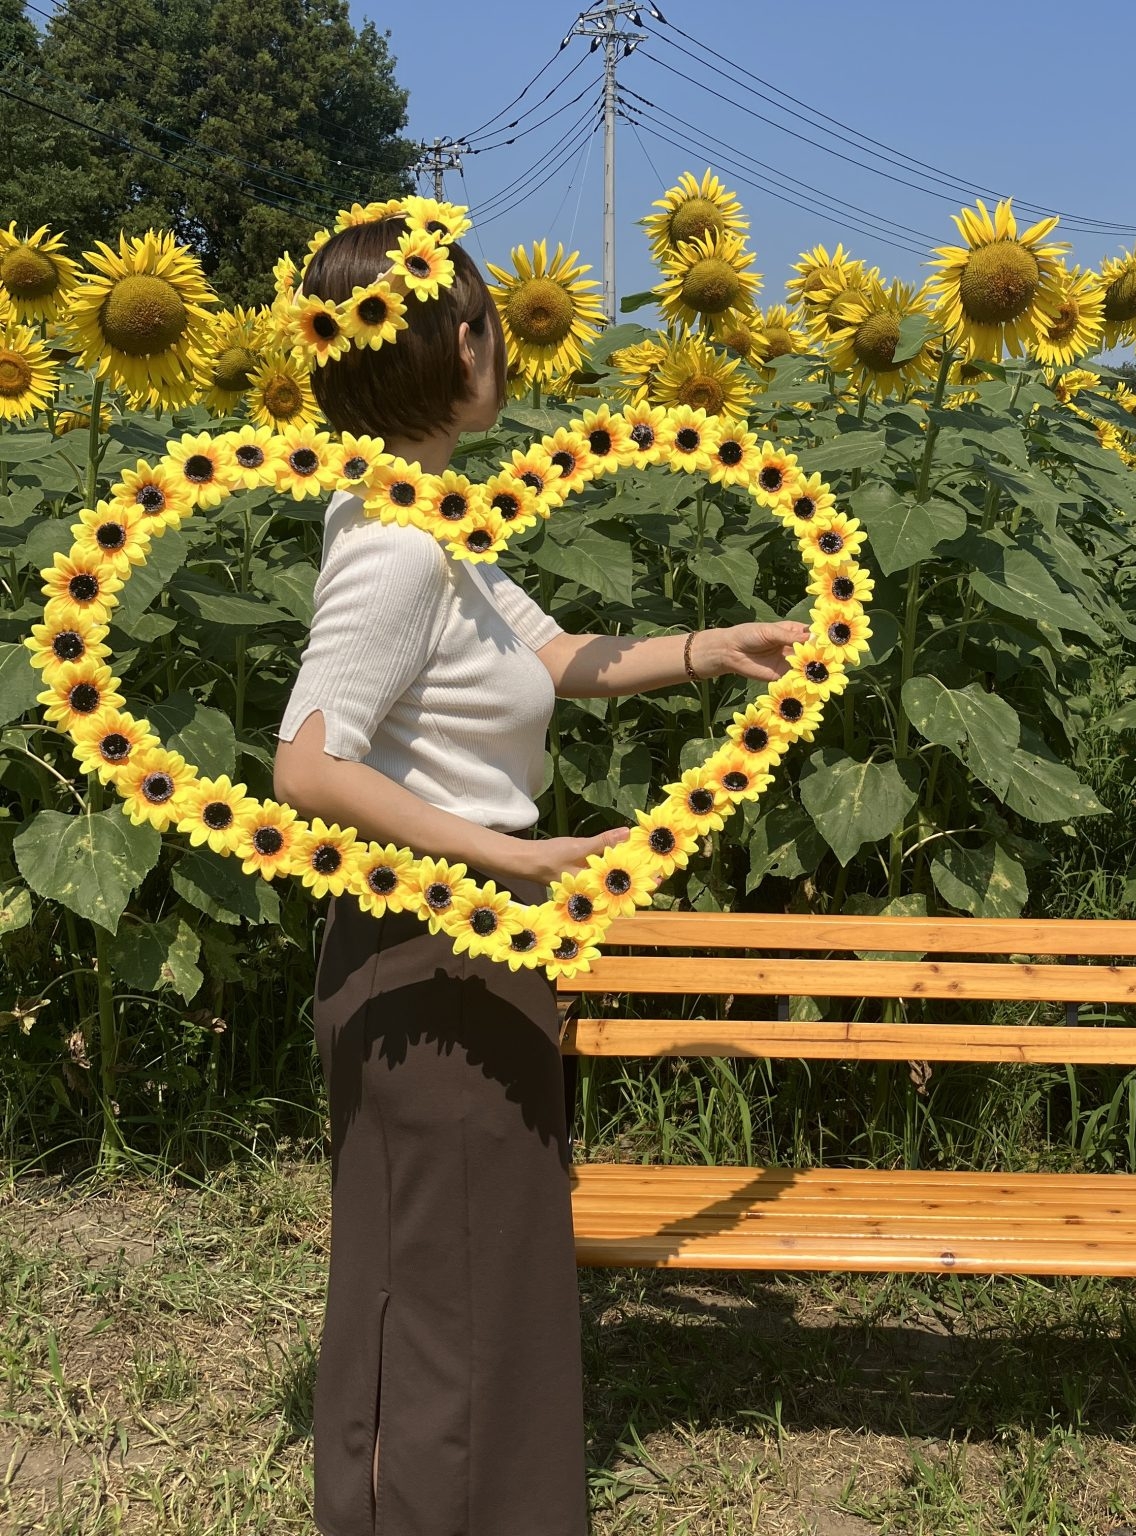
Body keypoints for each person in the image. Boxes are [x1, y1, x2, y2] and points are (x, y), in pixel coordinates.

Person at [272, 215, 807, 1536]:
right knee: (445, 1291)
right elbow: (307, 764)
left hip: (471, 945)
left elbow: (554, 658)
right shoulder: (396, 548)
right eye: (480, 320)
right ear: (441, 348)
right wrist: (503, 852)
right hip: (430, 947)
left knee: (483, 1273)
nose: (499, 341)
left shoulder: (430, 525)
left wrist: (707, 648)